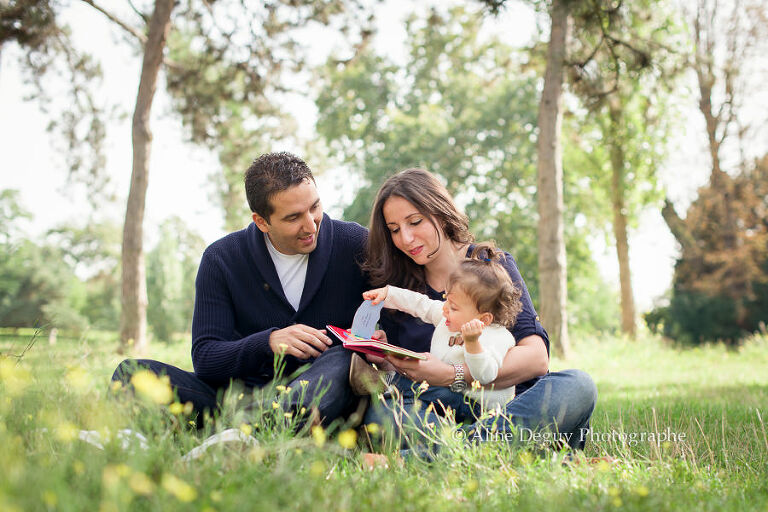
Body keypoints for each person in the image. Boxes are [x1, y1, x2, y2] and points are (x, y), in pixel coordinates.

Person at [111, 152, 370, 428]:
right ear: (261, 221)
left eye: (314, 207)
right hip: (236, 400)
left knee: (343, 357)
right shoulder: (221, 259)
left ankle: (260, 432)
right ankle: (260, 430)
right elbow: (206, 358)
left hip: (322, 394)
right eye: (293, 217)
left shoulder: (356, 244)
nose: (310, 224)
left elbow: (395, 324)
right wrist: (268, 343)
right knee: (133, 374)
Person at [361, 168, 597, 450]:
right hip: (439, 413)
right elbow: (412, 374)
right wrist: (387, 359)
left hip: (511, 406)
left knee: (578, 385)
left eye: (415, 222)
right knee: (382, 413)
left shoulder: (491, 267)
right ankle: (497, 449)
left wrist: (452, 375)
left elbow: (536, 359)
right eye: (395, 230)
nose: (406, 239)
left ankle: (453, 452)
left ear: (440, 210)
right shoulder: (398, 291)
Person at [361, 243, 522, 422]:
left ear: (484, 319)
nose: (444, 308)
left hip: (478, 409)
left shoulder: (496, 337)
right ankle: (389, 390)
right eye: (446, 299)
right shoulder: (449, 318)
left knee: (423, 388)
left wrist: (472, 343)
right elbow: (421, 304)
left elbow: (486, 375)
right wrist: (388, 294)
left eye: (453, 306)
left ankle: (381, 382)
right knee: (421, 392)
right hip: (449, 395)